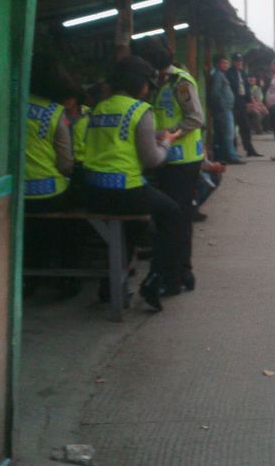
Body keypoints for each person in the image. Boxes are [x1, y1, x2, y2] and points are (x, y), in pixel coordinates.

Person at [84, 55, 186, 311]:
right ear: (139, 83)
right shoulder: (140, 110)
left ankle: (111, 287)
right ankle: (155, 279)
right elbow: (151, 160)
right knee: (172, 214)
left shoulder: (99, 107)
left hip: (93, 191)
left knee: (129, 227)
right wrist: (166, 143)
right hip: (124, 190)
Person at [145, 42, 205, 293]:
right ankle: (181, 272)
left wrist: (167, 134)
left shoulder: (179, 82)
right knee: (176, 220)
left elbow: (195, 118)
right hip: (167, 158)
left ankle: (176, 277)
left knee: (177, 220)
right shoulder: (159, 82)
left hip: (182, 160)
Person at [24, 54, 76, 213]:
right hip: (50, 194)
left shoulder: (11, 105)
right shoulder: (54, 112)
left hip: (13, 192)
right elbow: (65, 164)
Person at [209, 53, 243, 164]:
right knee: (228, 133)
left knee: (221, 134)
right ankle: (231, 157)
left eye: (227, 62)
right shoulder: (218, 75)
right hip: (224, 110)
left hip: (225, 109)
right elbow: (215, 93)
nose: (226, 65)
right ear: (218, 64)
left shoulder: (220, 74)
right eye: (224, 62)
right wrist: (222, 106)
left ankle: (221, 156)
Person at [227, 52, 262, 157]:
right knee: (232, 128)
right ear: (233, 62)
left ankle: (249, 149)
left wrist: (250, 101)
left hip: (242, 102)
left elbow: (246, 88)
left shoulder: (242, 73)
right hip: (233, 103)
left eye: (240, 61)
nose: (239, 63)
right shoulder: (229, 73)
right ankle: (233, 151)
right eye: (237, 61)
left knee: (245, 127)